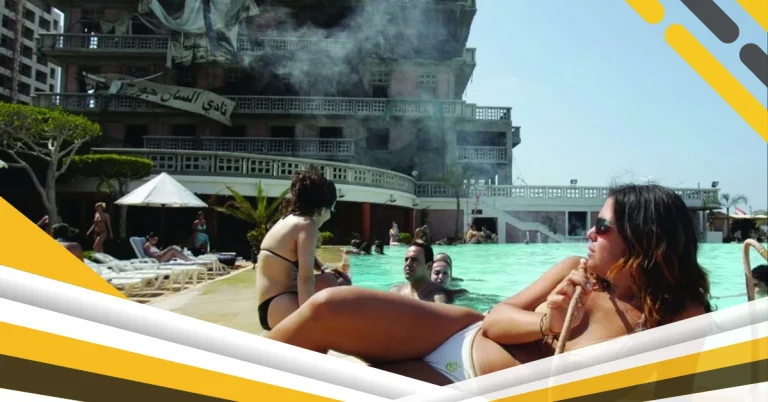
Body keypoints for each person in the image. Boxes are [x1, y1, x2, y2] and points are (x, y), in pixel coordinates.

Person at [264, 184, 712, 385]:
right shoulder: (575, 271)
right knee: (329, 308)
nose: (590, 233)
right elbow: (497, 319)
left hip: (470, 389)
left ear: (645, 238)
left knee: (348, 388)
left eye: (603, 226)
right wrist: (547, 325)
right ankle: (230, 375)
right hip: (456, 336)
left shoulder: (680, 318)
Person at [256, 167, 350, 332]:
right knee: (339, 283)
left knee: (332, 278)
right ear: (322, 208)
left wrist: (324, 268)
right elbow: (305, 278)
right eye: (332, 208)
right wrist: (308, 322)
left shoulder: (288, 219)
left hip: (271, 306)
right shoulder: (307, 225)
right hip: (281, 305)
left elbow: (301, 257)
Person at [389, 241, 453, 304]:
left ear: (429, 266)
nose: (408, 264)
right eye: (406, 260)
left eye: (414, 260)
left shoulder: (439, 295)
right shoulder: (396, 291)